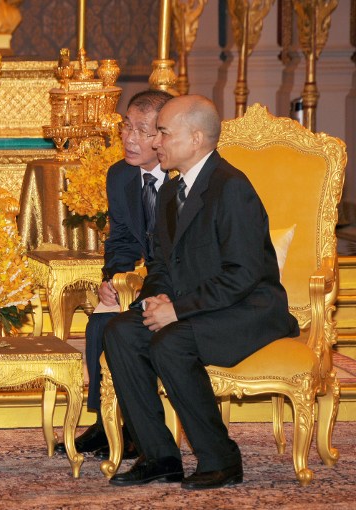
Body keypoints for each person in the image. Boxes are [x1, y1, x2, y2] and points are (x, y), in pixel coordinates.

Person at [103, 95, 300, 489]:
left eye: (163, 132)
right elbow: (161, 264)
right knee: (121, 332)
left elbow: (243, 275)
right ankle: (159, 456)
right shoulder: (171, 192)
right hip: (199, 307)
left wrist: (176, 310)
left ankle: (222, 459)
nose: (156, 142)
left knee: (171, 343)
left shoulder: (231, 188)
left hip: (248, 310)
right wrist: (154, 300)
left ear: (195, 139)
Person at [54, 89, 172, 460]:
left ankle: (136, 428)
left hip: (173, 285)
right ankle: (108, 423)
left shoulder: (182, 176)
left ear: (163, 136)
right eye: (126, 127)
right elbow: (121, 238)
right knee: (99, 322)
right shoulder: (120, 175)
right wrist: (113, 280)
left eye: (141, 130)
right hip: (136, 280)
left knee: (120, 328)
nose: (129, 138)